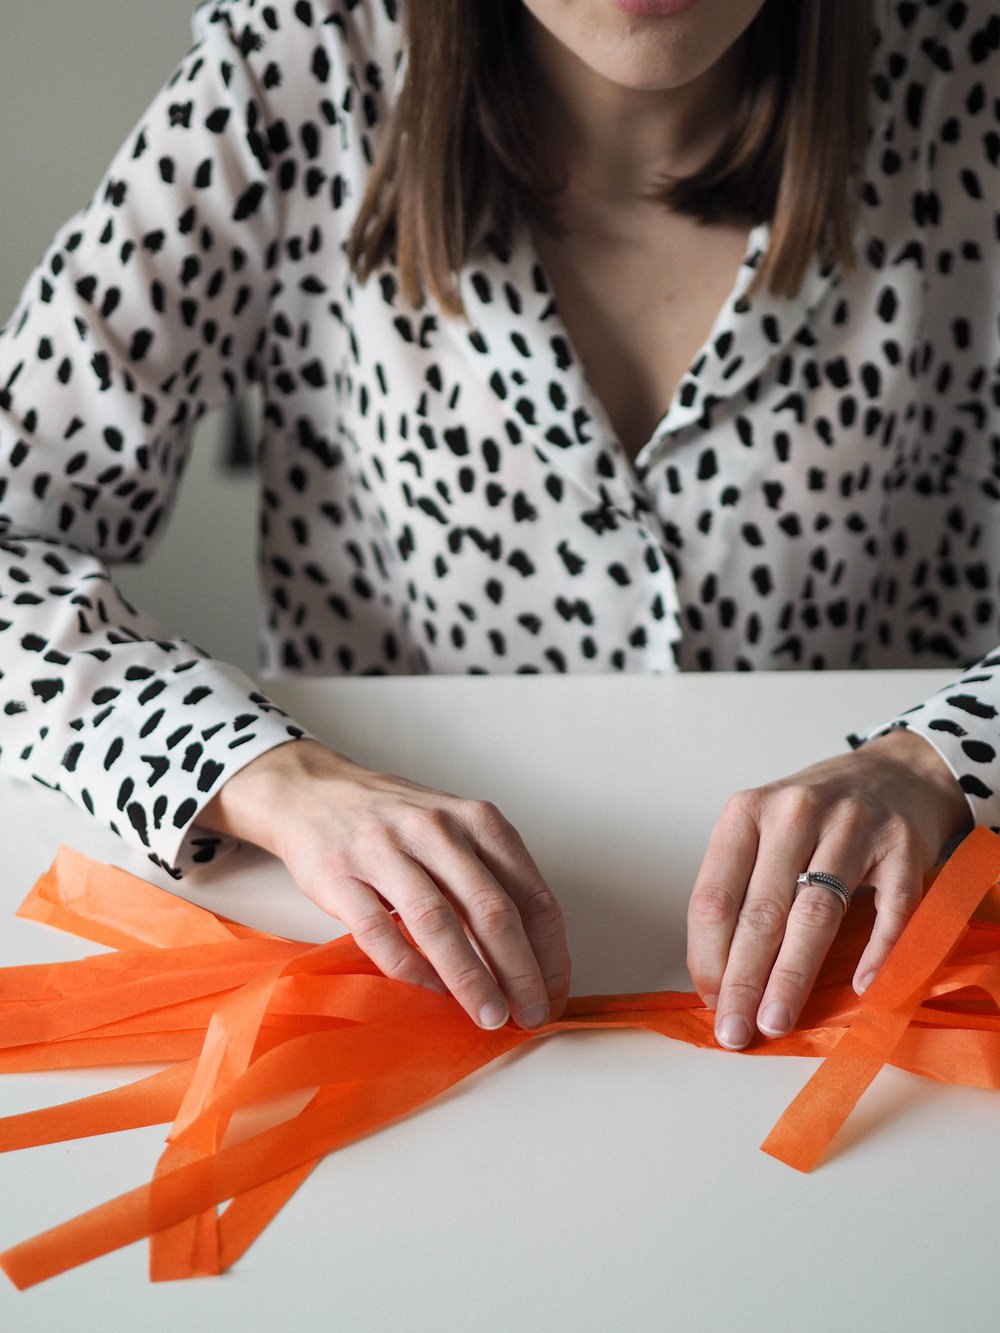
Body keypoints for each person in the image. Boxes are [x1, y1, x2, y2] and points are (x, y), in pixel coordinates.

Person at [0, 0, 996, 1049]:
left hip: (889, 992)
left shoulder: (963, 68)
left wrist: (939, 763)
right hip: (397, 998)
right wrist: (261, 776)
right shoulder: (299, 65)